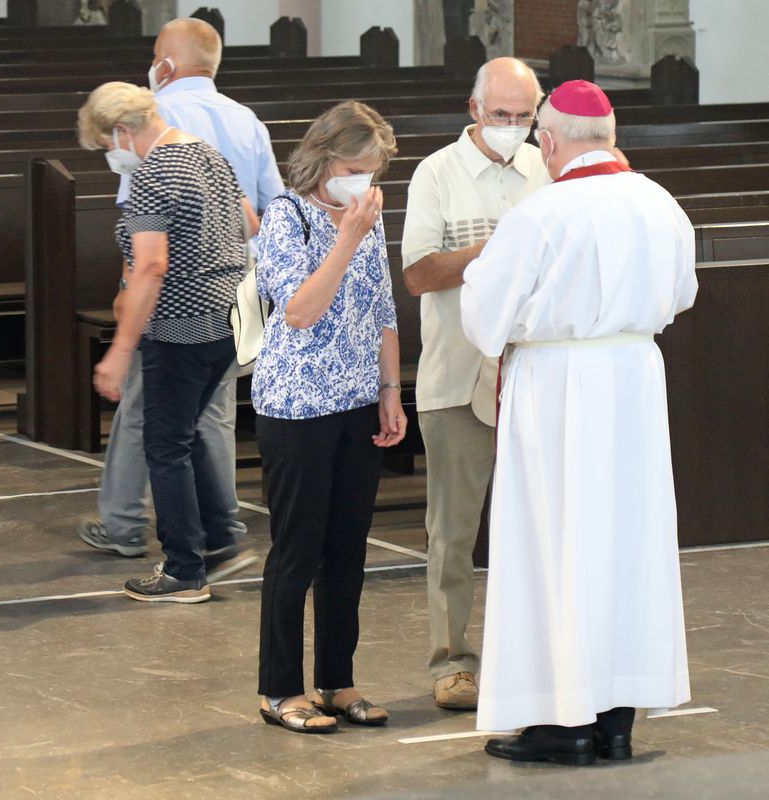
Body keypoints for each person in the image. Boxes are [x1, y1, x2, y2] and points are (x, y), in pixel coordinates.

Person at [460, 80, 697, 765]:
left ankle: (562, 723)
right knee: (626, 545)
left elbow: (485, 319)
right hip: (633, 380)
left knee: (555, 547)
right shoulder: (660, 203)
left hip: (560, 388)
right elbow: (680, 295)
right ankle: (617, 719)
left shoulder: (541, 214)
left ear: (552, 141)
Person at [77, 18, 284, 574]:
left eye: (106, 145)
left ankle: (181, 563)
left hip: (178, 320)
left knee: (163, 439)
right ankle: (222, 537)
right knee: (200, 424)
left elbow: (148, 261)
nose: (110, 155)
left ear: (123, 131)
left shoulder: (151, 170)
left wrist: (122, 340)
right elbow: (256, 219)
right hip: (231, 309)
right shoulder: (215, 144)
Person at [401, 57, 550, 712]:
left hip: (535, 373)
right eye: (502, 116)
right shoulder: (438, 173)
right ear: (474, 110)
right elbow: (418, 274)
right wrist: (498, 246)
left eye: (525, 117)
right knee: (453, 531)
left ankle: (536, 657)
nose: (514, 128)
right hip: (459, 375)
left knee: (540, 529)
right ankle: (453, 661)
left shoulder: (546, 169)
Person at [252, 101, 406, 733]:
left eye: (372, 171)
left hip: (357, 402)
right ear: (321, 160)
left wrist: (391, 389)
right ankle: (279, 689)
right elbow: (299, 311)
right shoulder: (286, 221)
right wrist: (345, 235)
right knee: (298, 550)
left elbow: (383, 309)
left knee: (347, 552)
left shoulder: (370, 218)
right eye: (352, 167)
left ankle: (336, 681)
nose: (362, 182)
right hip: (297, 406)